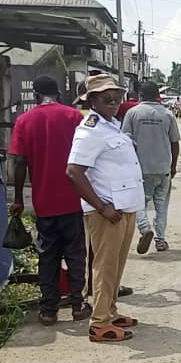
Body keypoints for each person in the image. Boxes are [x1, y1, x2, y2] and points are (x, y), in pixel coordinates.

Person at [9, 76, 93, 326]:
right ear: (58, 93)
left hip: (43, 202)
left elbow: (19, 161)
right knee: (76, 254)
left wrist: (17, 199)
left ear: (35, 95)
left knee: (48, 257)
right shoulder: (74, 117)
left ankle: (48, 310)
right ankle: (78, 304)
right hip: (74, 200)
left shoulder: (24, 120)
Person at [66, 74, 142, 343]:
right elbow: (74, 172)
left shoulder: (112, 126)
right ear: (92, 101)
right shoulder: (90, 130)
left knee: (117, 266)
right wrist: (101, 207)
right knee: (105, 266)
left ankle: (109, 311)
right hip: (107, 212)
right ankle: (99, 323)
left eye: (116, 97)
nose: (113, 102)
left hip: (124, 207)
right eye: (105, 98)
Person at [122, 82, 181, 253]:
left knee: (139, 202)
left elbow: (125, 142)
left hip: (140, 168)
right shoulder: (168, 114)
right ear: (158, 95)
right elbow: (174, 143)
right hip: (163, 168)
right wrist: (173, 166)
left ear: (140, 95)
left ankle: (144, 227)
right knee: (161, 205)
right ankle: (160, 240)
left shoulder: (132, 113)